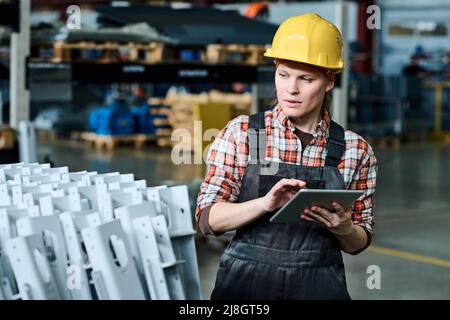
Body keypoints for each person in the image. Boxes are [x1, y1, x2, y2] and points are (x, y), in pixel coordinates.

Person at [195, 13, 377, 300]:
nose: (291, 89)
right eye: (283, 75)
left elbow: (359, 241)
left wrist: (345, 228)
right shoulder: (243, 132)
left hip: (319, 286)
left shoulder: (355, 150)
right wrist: (265, 204)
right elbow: (208, 219)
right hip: (246, 286)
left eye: (306, 79)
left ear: (328, 81)